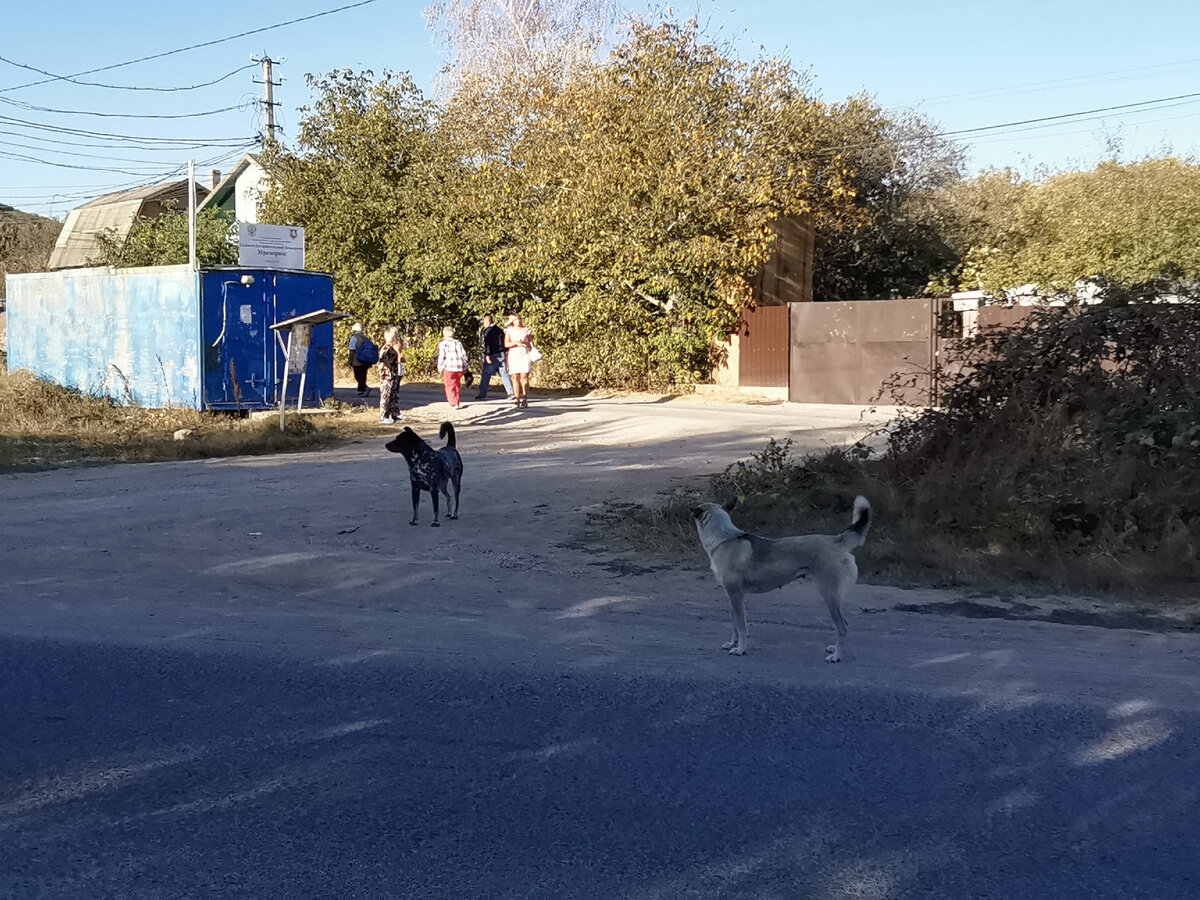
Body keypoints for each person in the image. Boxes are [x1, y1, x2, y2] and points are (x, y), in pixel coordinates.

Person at [475, 314, 514, 401]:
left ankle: (482, 394)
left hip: (492, 354)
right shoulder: (500, 330)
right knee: (504, 373)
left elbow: (487, 345)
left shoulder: (487, 331)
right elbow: (504, 342)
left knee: (486, 374)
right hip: (501, 354)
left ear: (487, 321)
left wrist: (487, 355)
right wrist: (505, 351)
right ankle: (510, 392)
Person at [504, 313, 535, 409]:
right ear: (512, 321)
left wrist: (525, 343)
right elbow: (506, 344)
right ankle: (516, 399)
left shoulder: (526, 330)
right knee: (515, 377)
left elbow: (532, 343)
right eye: (516, 320)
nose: (518, 321)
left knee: (524, 376)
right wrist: (516, 343)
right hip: (514, 354)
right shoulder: (509, 331)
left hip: (524, 354)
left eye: (519, 319)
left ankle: (525, 397)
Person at [436, 325, 469, 409]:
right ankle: (456, 401)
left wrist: (440, 366)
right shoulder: (458, 343)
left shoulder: (443, 344)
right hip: (459, 367)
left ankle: (453, 402)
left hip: (449, 367)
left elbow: (442, 356)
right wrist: (465, 365)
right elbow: (463, 355)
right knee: (457, 384)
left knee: (449, 384)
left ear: (444, 334)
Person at [378, 327, 405, 425]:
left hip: (394, 374)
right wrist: (389, 367)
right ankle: (384, 416)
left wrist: (399, 353)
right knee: (386, 394)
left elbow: (401, 359)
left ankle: (394, 413)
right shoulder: (387, 347)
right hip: (387, 375)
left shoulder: (393, 347)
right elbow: (383, 358)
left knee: (394, 394)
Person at [348, 323, 371, 397]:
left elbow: (352, 350)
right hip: (365, 360)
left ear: (354, 330)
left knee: (357, 375)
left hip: (357, 360)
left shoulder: (354, 338)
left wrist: (350, 361)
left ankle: (362, 389)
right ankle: (362, 388)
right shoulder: (365, 338)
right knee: (363, 375)